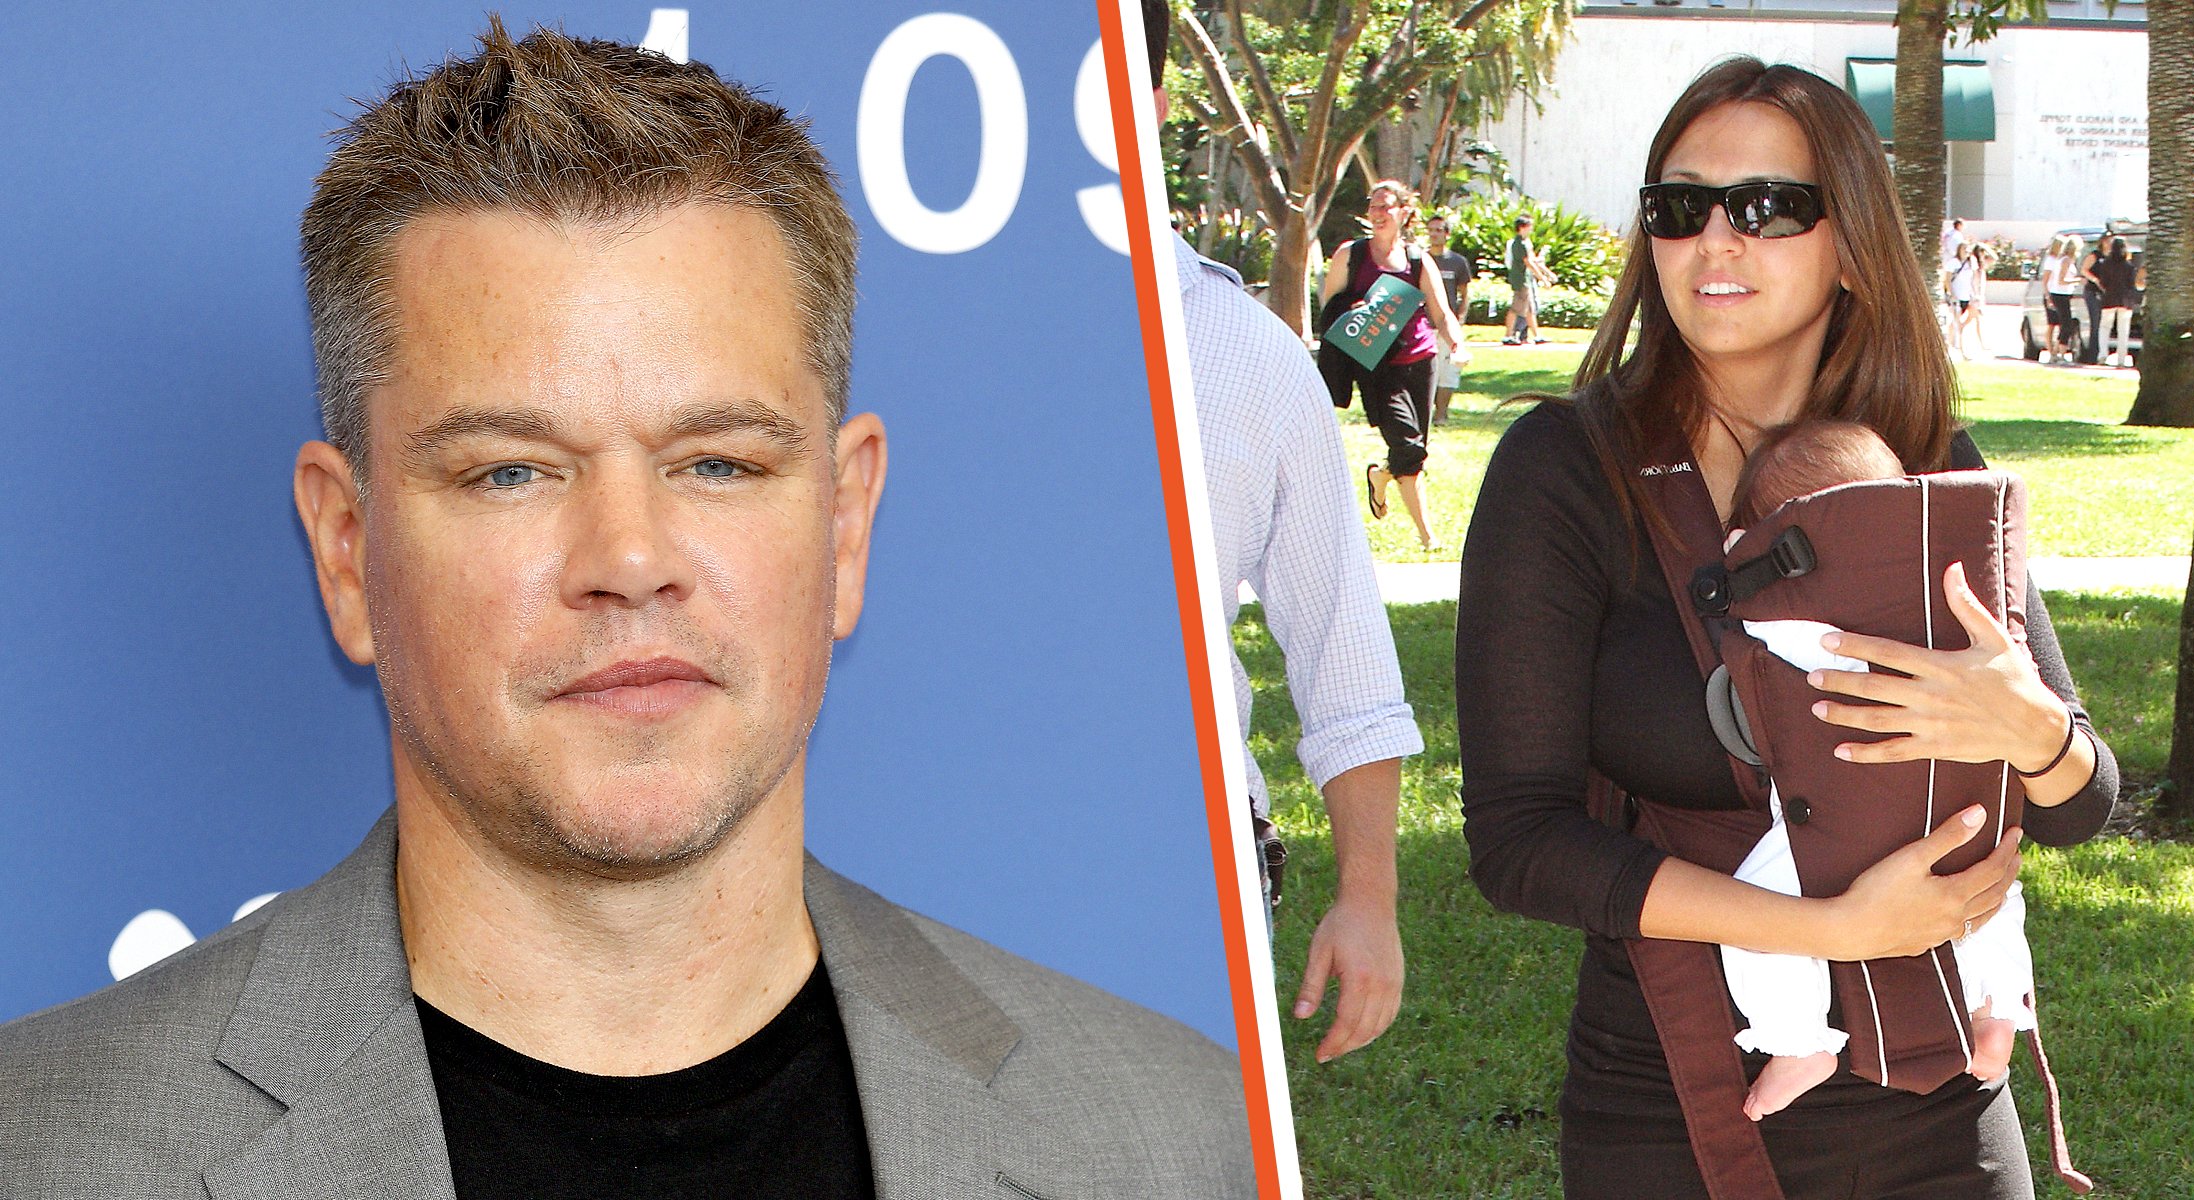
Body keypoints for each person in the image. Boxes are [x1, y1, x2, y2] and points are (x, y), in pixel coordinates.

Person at [0, 21, 1254, 1197]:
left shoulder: (1165, 1136)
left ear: (845, 522)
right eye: (510, 470)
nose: (632, 558)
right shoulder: (45, 1151)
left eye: (718, 462)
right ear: (345, 549)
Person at [1456, 58, 2116, 1199]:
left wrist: (2030, 731)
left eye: (1765, 207)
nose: (1716, 240)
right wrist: (1830, 930)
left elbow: (2084, 806)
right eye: (1678, 207)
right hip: (1675, 1090)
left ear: (1849, 246)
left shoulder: (1925, 466)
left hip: (1938, 1088)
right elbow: (1519, 840)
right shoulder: (1568, 473)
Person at [1146, 0, 1420, 1066]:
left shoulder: (1249, 357)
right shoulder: (866, 333)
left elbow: (1343, 652)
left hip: (1185, 884)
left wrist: (1370, 901)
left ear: (1147, 103)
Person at [1715, 420, 2041, 1123]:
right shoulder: (1959, 598)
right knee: (1993, 896)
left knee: (1754, 917)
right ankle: (1996, 1010)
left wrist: (1740, 556)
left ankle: (1798, 1040)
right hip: (1968, 810)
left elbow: (1756, 633)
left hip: (1842, 816)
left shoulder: (1800, 615)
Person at [1324, 181, 1466, 553]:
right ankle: (1427, 536)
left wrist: (1457, 343)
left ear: (1405, 213)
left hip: (1420, 361)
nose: (1378, 213)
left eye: (1387, 206)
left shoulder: (1418, 259)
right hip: (1376, 365)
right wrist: (1350, 311)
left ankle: (1380, 475)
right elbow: (1330, 310)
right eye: (1373, 206)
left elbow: (1441, 313)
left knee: (1414, 449)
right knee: (1406, 444)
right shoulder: (1350, 256)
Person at [1425, 213, 1475, 424]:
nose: (1434, 235)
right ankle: (1425, 414)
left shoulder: (1457, 262)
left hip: (1448, 325)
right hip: (1425, 326)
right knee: (1427, 372)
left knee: (1449, 371)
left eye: (1438, 230)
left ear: (1447, 234)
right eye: (1431, 230)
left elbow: (1465, 293)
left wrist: (1460, 320)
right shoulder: (1422, 260)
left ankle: (1441, 414)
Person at [2091, 237, 2145, 369]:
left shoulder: (2106, 264)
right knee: (2123, 330)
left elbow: (2103, 282)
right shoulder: (2129, 266)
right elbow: (2132, 284)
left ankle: (2102, 355)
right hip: (2125, 301)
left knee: (2104, 328)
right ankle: (2121, 359)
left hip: (2109, 299)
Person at [1504, 214, 1553, 345]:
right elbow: (1529, 263)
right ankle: (1508, 336)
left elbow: (1533, 260)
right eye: (1529, 226)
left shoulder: (1525, 242)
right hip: (1521, 280)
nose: (1531, 229)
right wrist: (1543, 278)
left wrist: (1547, 273)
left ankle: (1537, 336)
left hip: (1525, 279)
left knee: (1530, 309)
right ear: (1522, 227)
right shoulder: (1519, 244)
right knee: (1516, 308)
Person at [2039, 234, 2083, 364]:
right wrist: (2078, 280)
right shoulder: (2065, 260)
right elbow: (2061, 280)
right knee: (2066, 325)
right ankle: (2061, 354)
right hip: (2059, 294)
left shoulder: (2063, 259)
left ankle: (2058, 352)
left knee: (2065, 324)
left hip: (2062, 294)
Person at [1947, 239, 1988, 358]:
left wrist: (1975, 295)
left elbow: (1974, 279)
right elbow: (1948, 280)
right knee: (1956, 322)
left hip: (1967, 297)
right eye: (1964, 249)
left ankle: (1952, 343)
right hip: (1956, 297)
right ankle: (1960, 351)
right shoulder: (1953, 263)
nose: (1966, 251)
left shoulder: (1971, 263)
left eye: (1967, 249)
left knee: (1971, 318)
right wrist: (1951, 294)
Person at [2077, 238, 2107, 366]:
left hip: (2106, 294)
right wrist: (2095, 280)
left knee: (2103, 324)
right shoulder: (2095, 255)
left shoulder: (2113, 257)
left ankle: (2101, 353)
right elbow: (2084, 270)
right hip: (2093, 292)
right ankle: (2092, 356)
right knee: (2096, 322)